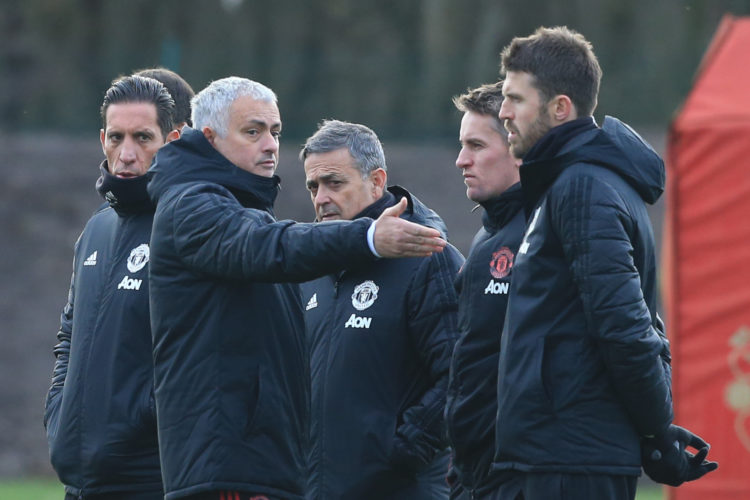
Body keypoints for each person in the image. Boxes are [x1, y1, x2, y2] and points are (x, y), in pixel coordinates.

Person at [146, 77, 447, 500]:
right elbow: (267, 246)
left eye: (275, 132)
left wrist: (400, 450)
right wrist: (367, 238)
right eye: (253, 131)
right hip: (229, 471)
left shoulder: (243, 212)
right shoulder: (193, 205)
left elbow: (460, 373)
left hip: (266, 468)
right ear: (210, 139)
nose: (270, 145)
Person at [487, 26, 717, 499]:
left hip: (569, 462)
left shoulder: (583, 188)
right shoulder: (571, 185)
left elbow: (626, 326)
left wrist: (656, 432)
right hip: (555, 455)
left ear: (560, 108)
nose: (503, 113)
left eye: (515, 99)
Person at [298, 119, 464, 500]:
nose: (321, 198)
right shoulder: (308, 265)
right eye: (313, 186)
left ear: (377, 181)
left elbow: (461, 371)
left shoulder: (428, 258)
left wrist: (403, 449)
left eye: (334, 183)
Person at [43, 74, 186, 499]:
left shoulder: (186, 226)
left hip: (148, 479)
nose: (126, 154)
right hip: (80, 481)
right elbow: (70, 334)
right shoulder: (96, 229)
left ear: (173, 139)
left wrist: (139, 423)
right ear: (102, 138)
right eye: (117, 137)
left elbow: (202, 351)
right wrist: (58, 412)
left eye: (143, 137)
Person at [443, 83, 524, 499]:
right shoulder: (487, 237)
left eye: (476, 145)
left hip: (518, 473)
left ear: (516, 143)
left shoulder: (543, 231)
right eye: (462, 144)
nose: (461, 160)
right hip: (473, 473)